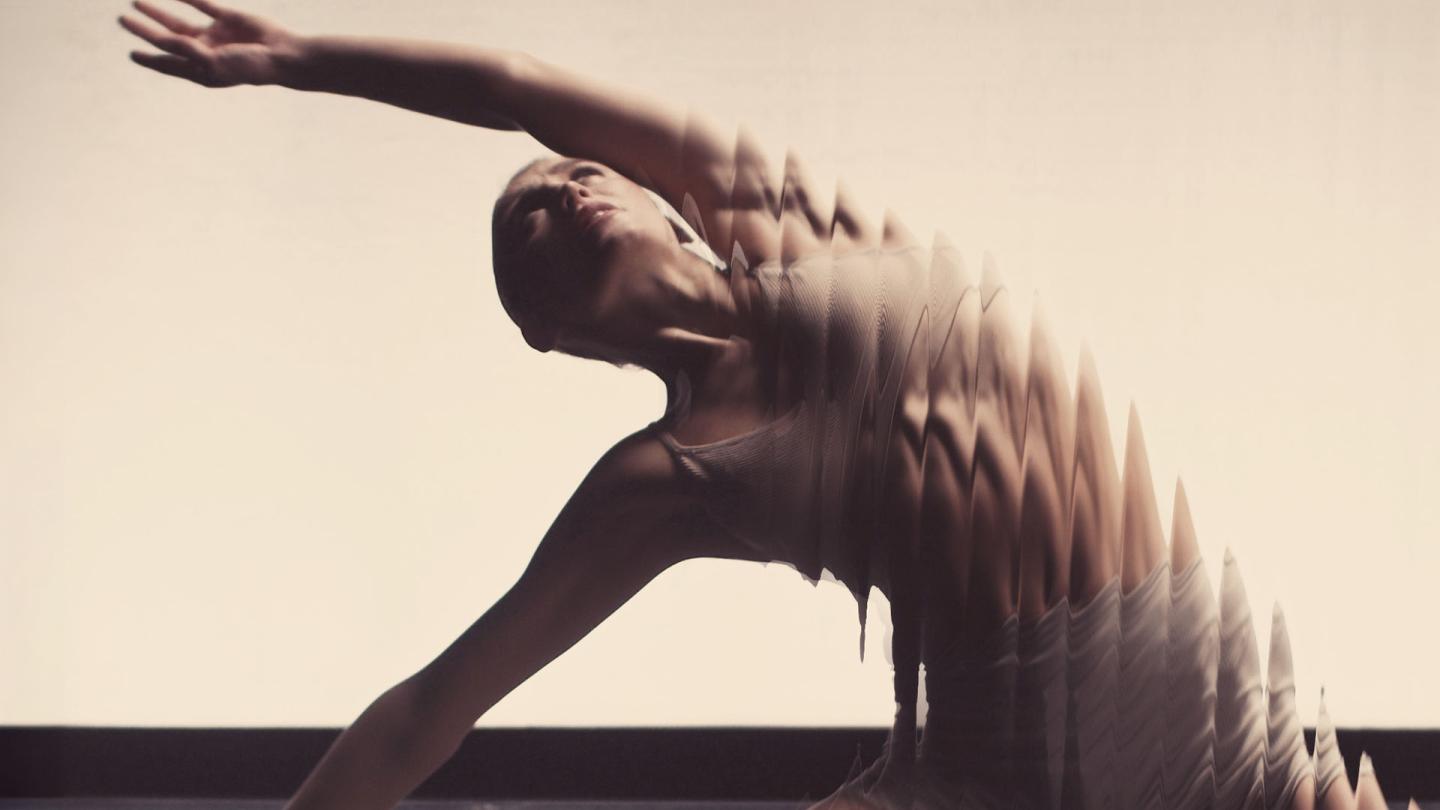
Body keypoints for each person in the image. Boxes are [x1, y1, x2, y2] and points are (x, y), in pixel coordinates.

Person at [119, 3, 1404, 809]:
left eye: (570, 175)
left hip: (1214, 727)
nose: (560, 191)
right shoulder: (663, 479)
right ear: (545, 333)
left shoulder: (787, 225)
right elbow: (432, 711)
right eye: (525, 217)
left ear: (660, 197)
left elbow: (516, 76)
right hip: (999, 760)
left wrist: (294, 55)